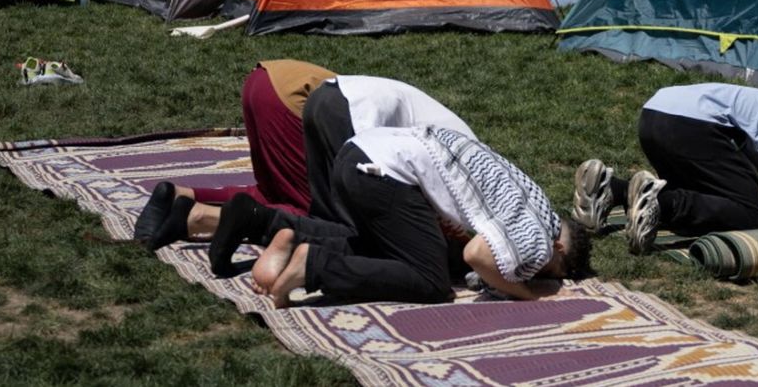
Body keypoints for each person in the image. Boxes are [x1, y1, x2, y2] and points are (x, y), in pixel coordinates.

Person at [249, 125, 592, 307]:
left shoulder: (531, 197)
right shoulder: (539, 237)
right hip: (384, 172)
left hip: (358, 155)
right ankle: (313, 267)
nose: (544, 273)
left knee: (394, 255)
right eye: (556, 272)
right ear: (559, 251)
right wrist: (527, 294)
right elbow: (477, 256)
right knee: (431, 282)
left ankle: (298, 242)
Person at [206, 75, 477, 276]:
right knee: (373, 238)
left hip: (327, 98)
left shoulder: (476, 162)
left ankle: (255, 218)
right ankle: (294, 249)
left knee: (332, 220)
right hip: (355, 116)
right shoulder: (477, 192)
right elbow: (436, 221)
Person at [572, 83, 758, 255]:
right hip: (693, 124)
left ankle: (608, 190)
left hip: (655, 115)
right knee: (751, 213)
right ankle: (657, 203)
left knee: (708, 197)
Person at [133, 60, 335, 250]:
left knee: (271, 192)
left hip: (264, 78)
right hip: (290, 97)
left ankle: (180, 196)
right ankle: (204, 218)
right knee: (314, 213)